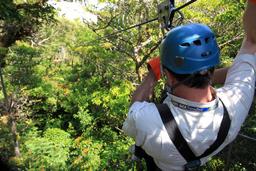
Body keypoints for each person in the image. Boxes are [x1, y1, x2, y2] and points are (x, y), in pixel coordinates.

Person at [122, 0, 256, 170]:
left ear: (168, 77)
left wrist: (153, 73)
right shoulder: (235, 103)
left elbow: (135, 104)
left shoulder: (146, 121)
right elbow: (252, 43)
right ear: (212, 68)